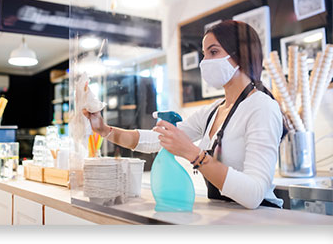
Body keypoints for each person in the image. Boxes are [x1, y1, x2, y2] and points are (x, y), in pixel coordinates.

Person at [83, 20, 284, 209]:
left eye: (213, 52)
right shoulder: (213, 110)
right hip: (228, 215)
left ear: (242, 55)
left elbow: (254, 194)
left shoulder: (262, 108)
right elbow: (157, 140)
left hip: (260, 217)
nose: (205, 62)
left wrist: (192, 153)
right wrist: (104, 130)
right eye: (204, 54)